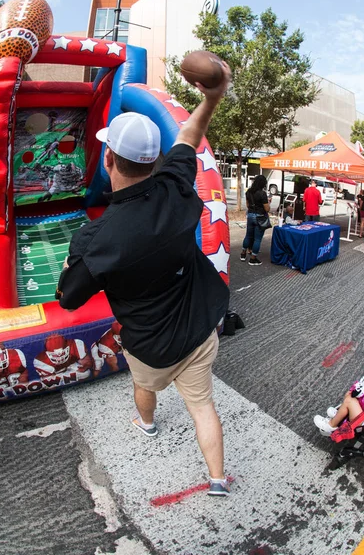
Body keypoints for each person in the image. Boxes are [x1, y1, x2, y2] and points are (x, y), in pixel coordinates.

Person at [55, 63, 232, 497]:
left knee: (142, 385)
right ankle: (217, 480)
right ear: (155, 160)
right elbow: (189, 136)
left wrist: (71, 262)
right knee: (203, 405)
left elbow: (68, 299)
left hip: (150, 345)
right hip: (199, 330)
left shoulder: (96, 238)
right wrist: (210, 98)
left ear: (109, 158)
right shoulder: (176, 186)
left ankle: (147, 424)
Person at [240, 174, 271, 266]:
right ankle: (253, 259)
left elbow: (247, 205)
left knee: (248, 236)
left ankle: (243, 254)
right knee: (257, 239)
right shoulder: (262, 193)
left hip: (250, 215)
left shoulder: (249, 192)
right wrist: (268, 202)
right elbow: (267, 209)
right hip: (260, 217)